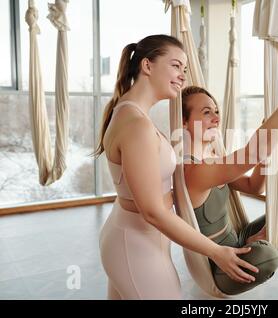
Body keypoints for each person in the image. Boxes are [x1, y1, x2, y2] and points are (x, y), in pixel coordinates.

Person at [94, 34, 259, 300]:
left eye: (184, 69)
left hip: (131, 238)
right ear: (147, 66)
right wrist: (216, 251)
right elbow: (153, 212)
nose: (182, 75)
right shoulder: (136, 124)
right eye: (175, 66)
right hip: (135, 245)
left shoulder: (133, 115)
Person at [181, 57, 278, 295]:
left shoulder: (213, 160)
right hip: (223, 261)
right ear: (183, 122)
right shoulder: (192, 171)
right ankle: (257, 247)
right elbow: (253, 151)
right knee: (267, 256)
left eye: (216, 111)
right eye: (206, 112)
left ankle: (255, 243)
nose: (216, 118)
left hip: (238, 238)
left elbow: (254, 187)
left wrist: (266, 156)